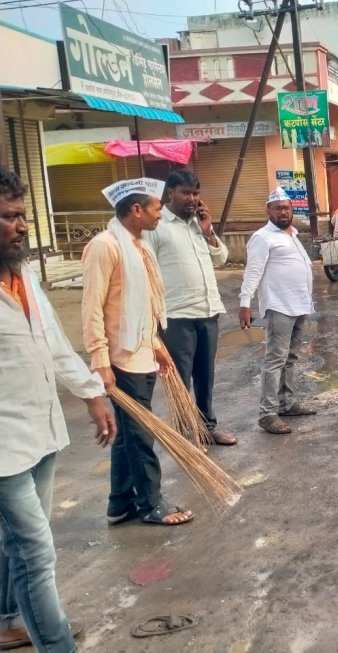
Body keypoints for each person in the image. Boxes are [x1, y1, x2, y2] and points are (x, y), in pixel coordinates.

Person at [0, 166, 116, 652]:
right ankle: (56, 644)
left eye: (22, 215)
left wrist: (92, 394)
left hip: (43, 433)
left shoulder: (24, 274)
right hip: (3, 447)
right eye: (8, 217)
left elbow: (52, 344)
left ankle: (9, 619)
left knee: (22, 543)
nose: (21, 225)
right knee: (35, 553)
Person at [82, 178, 194, 527]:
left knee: (130, 433)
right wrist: (100, 362)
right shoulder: (106, 247)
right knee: (141, 434)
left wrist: (157, 345)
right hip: (121, 358)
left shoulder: (139, 247)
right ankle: (151, 503)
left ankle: (119, 503)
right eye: (156, 208)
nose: (160, 215)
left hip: (142, 352)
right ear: (136, 210)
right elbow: (92, 310)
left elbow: (143, 306)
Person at [144, 170, 236, 446]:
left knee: (205, 376)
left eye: (195, 193)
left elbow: (221, 259)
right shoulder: (157, 227)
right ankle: (187, 433)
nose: (192, 199)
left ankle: (208, 426)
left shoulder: (198, 225)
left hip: (208, 312)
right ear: (170, 192)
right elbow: (145, 268)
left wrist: (208, 231)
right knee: (181, 379)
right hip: (177, 316)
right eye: (186, 193)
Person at [239, 188, 316, 435]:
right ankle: (268, 414)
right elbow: (252, 272)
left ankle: (287, 403)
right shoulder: (262, 237)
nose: (283, 211)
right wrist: (245, 303)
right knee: (275, 360)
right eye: (278, 208)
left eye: (287, 207)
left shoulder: (291, 233)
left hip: (299, 304)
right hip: (279, 306)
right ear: (268, 211)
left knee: (290, 358)